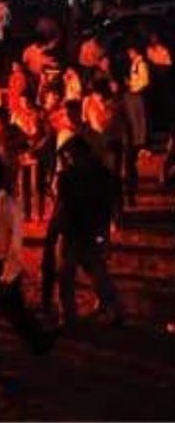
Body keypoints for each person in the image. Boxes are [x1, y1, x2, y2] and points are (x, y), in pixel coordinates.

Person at [0, 162, 55, 377]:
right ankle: (39, 341)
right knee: (10, 310)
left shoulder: (10, 206)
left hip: (2, 266)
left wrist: (6, 276)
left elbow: (16, 245)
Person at [52, 138, 123, 327]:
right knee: (96, 269)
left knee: (66, 274)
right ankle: (113, 308)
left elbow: (62, 207)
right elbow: (112, 201)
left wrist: (58, 229)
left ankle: (68, 316)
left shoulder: (66, 177)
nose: (67, 160)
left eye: (68, 156)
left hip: (72, 232)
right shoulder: (103, 173)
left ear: (74, 155)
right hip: (95, 230)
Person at [123, 44, 149, 207]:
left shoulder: (141, 64)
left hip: (137, 93)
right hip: (133, 93)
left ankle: (141, 140)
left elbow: (145, 81)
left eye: (131, 51)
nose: (129, 54)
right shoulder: (135, 64)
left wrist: (134, 86)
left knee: (139, 118)